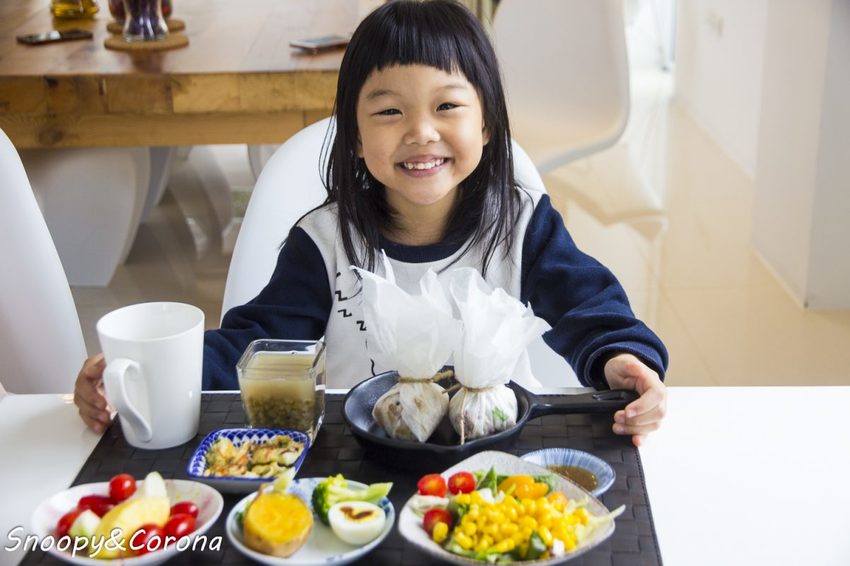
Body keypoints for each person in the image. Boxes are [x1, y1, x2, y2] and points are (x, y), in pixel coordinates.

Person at [75, 0, 668, 447]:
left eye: (447, 106)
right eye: (389, 111)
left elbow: (590, 307)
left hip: (490, 469)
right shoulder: (325, 242)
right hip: (360, 468)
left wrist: (622, 360)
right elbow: (256, 345)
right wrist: (147, 374)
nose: (420, 131)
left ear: (487, 126)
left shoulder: (520, 224)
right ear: (356, 138)